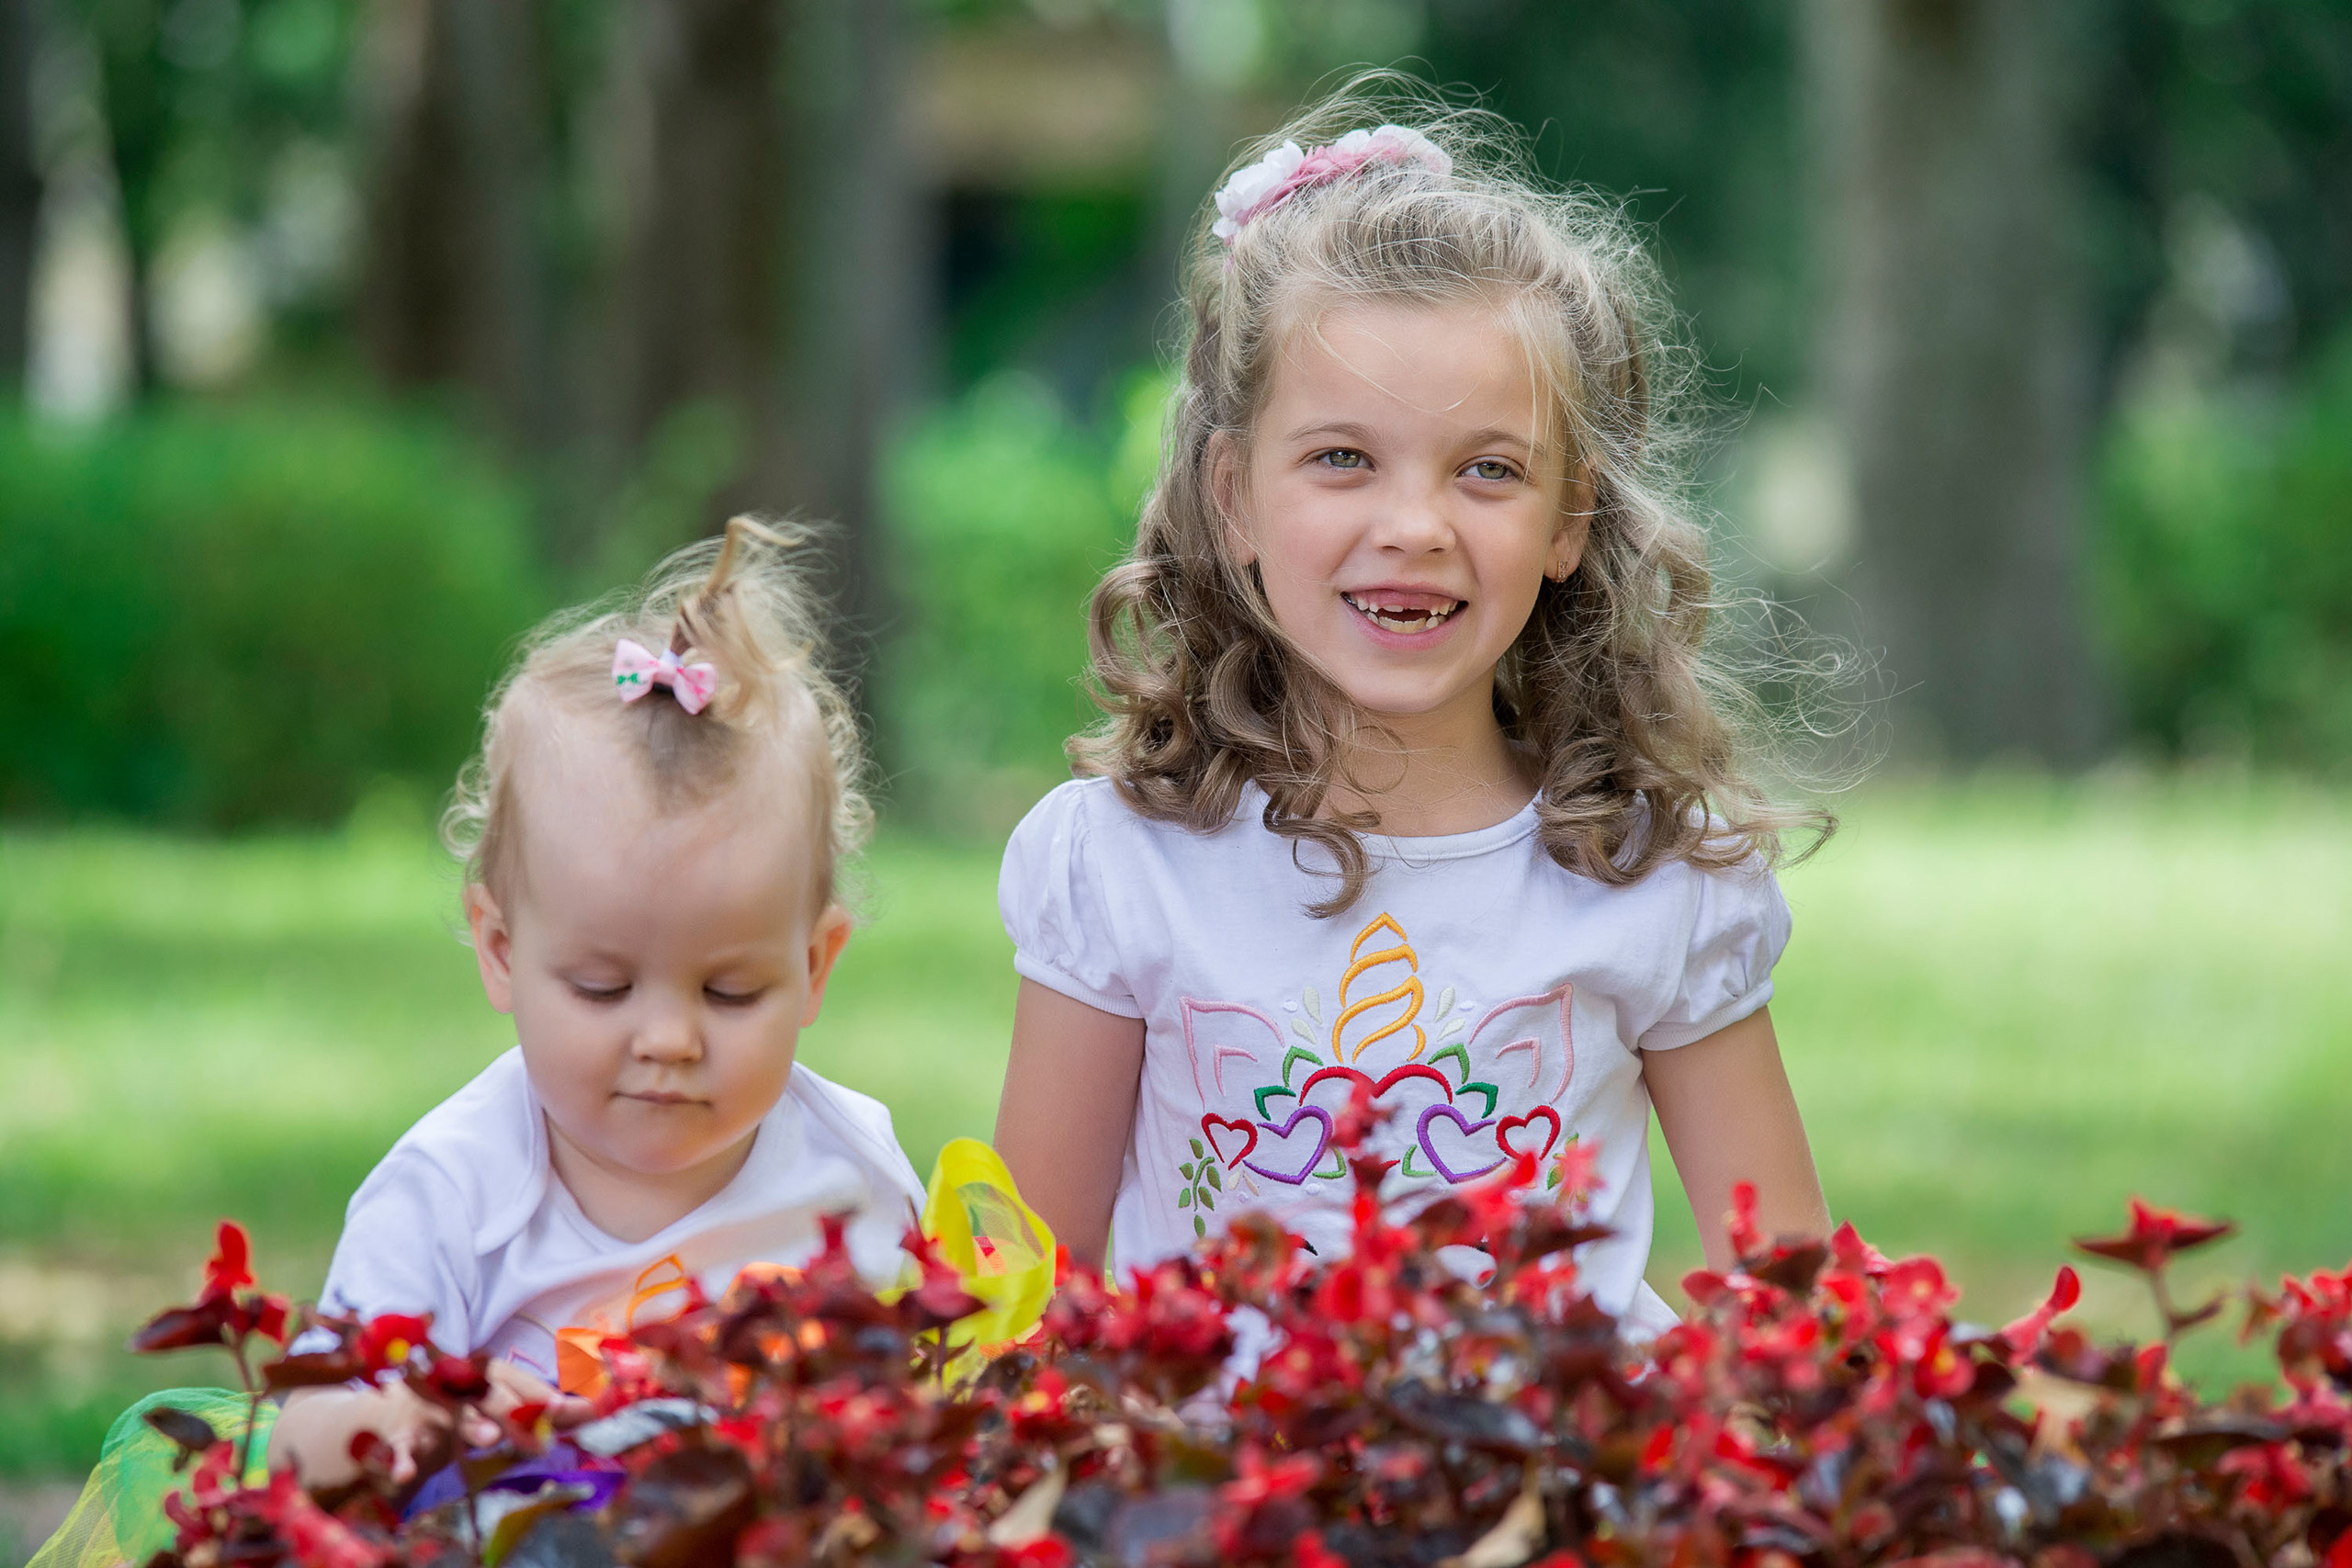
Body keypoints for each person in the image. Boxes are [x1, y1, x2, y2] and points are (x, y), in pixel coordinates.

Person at [991, 92, 1832, 1335]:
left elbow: (1794, 1309)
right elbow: (1021, 1307)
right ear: (1233, 498)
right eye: (1342, 459)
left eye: (1488, 469)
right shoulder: (1122, 866)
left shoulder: (1653, 879)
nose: (1415, 527)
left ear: (1568, 523)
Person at [268, 517, 924, 1484]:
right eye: (602, 987)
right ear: (500, 950)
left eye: (732, 990)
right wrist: (416, 1413)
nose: (667, 1038)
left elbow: (928, 1427)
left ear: (817, 966)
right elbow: (296, 1446)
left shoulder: (852, 1178)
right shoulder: (453, 1193)